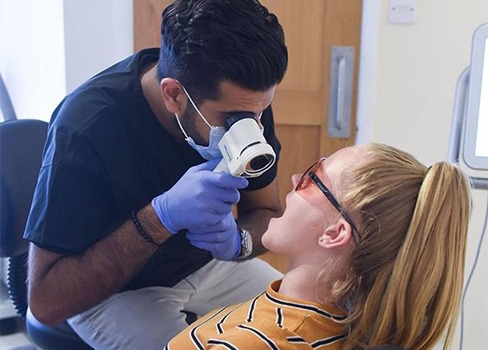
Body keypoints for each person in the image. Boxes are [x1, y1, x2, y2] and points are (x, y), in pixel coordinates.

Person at [24, 0, 288, 348]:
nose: (252, 127)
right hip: (113, 292)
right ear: (174, 95)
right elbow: (45, 303)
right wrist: (158, 218)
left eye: (261, 111)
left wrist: (240, 241)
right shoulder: (86, 129)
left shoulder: (244, 104)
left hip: (206, 266)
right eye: (233, 119)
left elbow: (267, 212)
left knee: (304, 325)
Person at [166, 143, 472, 350]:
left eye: (312, 179)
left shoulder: (256, 343)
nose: (295, 177)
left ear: (334, 232)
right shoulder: (329, 323)